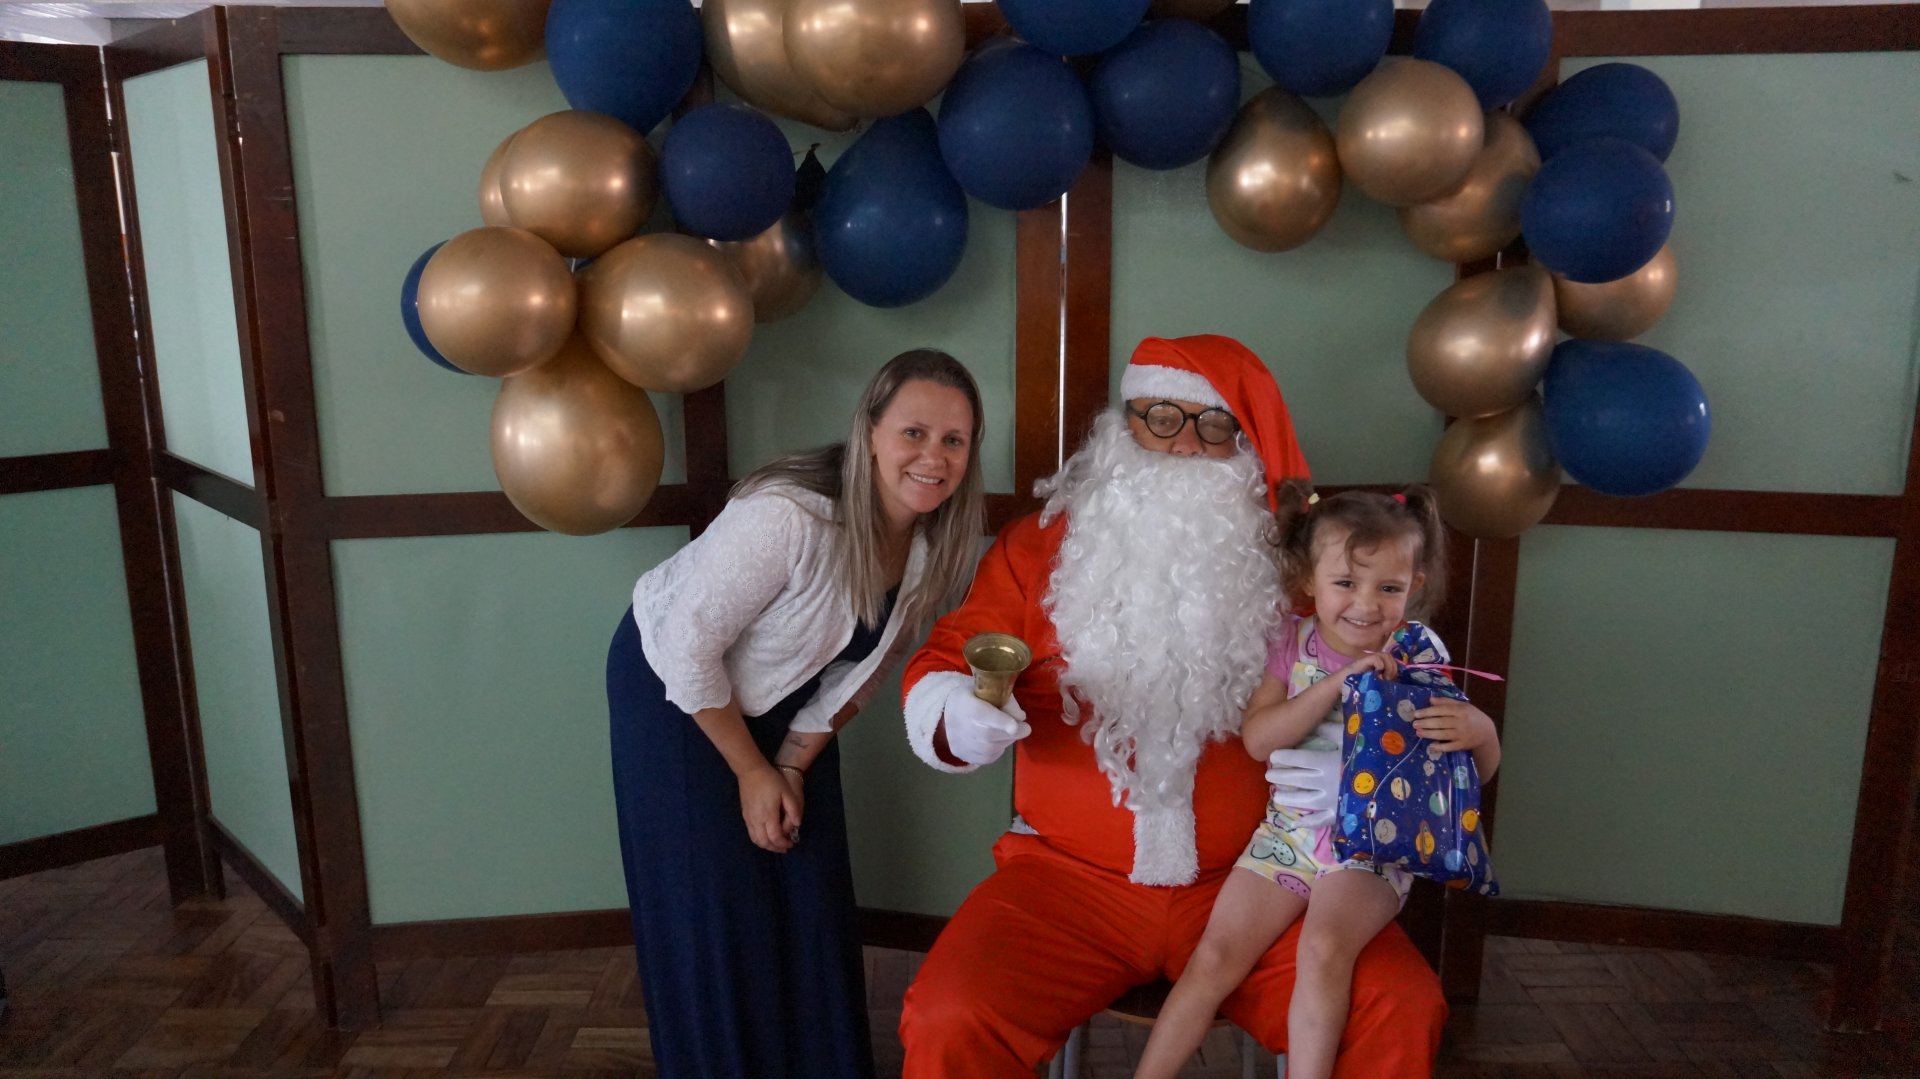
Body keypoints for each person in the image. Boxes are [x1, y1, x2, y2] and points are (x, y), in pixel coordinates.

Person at [897, 335, 1448, 1078]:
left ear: (1245, 443)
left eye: (1214, 426)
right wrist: (956, 712)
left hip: (1264, 881)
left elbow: (1394, 670)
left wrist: (1382, 762)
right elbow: (948, 658)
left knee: (1398, 1005)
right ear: (1123, 426)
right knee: (950, 1015)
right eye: (1161, 418)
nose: (1185, 444)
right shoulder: (1038, 550)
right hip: (1065, 884)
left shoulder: (1305, 572)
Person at [607, 348, 986, 1079]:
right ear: (870, 433)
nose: (933, 457)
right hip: (673, 689)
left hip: (785, 701)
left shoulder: (931, 541)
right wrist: (750, 772)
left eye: (953, 440)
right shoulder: (788, 515)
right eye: (913, 432)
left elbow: (858, 677)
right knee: (717, 905)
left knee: (808, 887)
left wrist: (786, 767)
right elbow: (687, 646)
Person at [1135, 483, 1502, 1079]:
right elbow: (1259, 740)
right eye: (1346, 583)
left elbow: (1462, 782)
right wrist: (1336, 685)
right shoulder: (1291, 642)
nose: (1366, 605)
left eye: (1389, 588)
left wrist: (1481, 733)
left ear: (1415, 585)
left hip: (1373, 848)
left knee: (1323, 948)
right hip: (1289, 835)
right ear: (1310, 579)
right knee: (1215, 957)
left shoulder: (1417, 657)